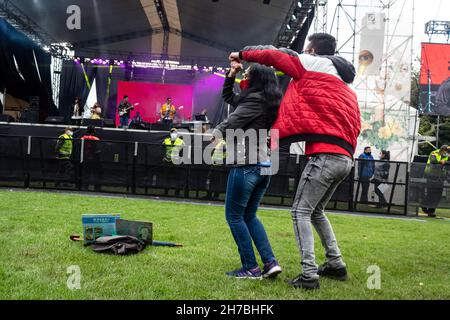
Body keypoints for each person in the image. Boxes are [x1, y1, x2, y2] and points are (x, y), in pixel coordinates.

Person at [229, 33, 361, 289]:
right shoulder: (345, 85)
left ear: (311, 49)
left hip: (325, 154)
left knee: (300, 211)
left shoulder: (310, 63)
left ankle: (309, 275)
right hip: (345, 158)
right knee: (317, 212)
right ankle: (336, 263)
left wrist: (242, 53)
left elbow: (273, 54)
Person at [212, 61, 283, 280]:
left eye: (247, 74)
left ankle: (251, 267)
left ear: (256, 80)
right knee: (249, 216)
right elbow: (229, 98)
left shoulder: (254, 100)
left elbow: (233, 122)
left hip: (246, 165)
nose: (245, 76)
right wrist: (231, 74)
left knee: (234, 217)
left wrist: (216, 132)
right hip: (263, 166)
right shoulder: (265, 100)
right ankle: (270, 262)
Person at [421, 145, 449, 217]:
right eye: (446, 151)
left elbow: (447, 162)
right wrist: (441, 161)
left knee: (438, 195)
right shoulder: (434, 153)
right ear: (442, 150)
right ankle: (423, 205)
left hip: (440, 178)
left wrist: (445, 162)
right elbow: (433, 161)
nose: (447, 153)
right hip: (430, 176)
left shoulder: (446, 156)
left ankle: (431, 211)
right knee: (431, 194)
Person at [81, 126, 102, 191]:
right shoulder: (96, 139)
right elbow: (99, 149)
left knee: (86, 173)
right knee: (96, 174)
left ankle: (85, 187)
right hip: (94, 159)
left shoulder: (83, 138)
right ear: (93, 131)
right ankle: (97, 188)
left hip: (86, 158)